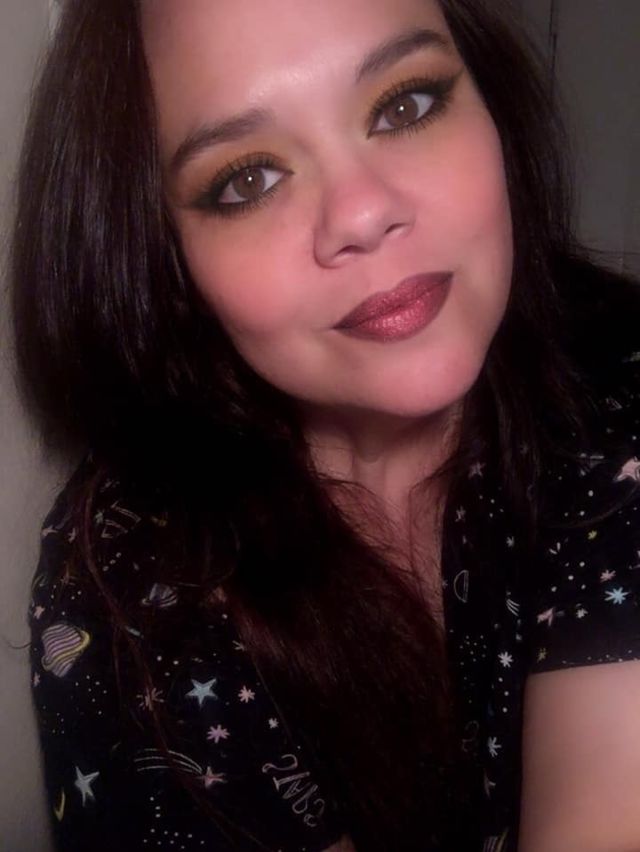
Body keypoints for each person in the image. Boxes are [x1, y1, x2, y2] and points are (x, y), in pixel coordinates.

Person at [12, 0, 640, 849]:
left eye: (406, 104)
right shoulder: (127, 566)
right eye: (248, 179)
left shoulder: (618, 400)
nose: (363, 213)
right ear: (163, 258)